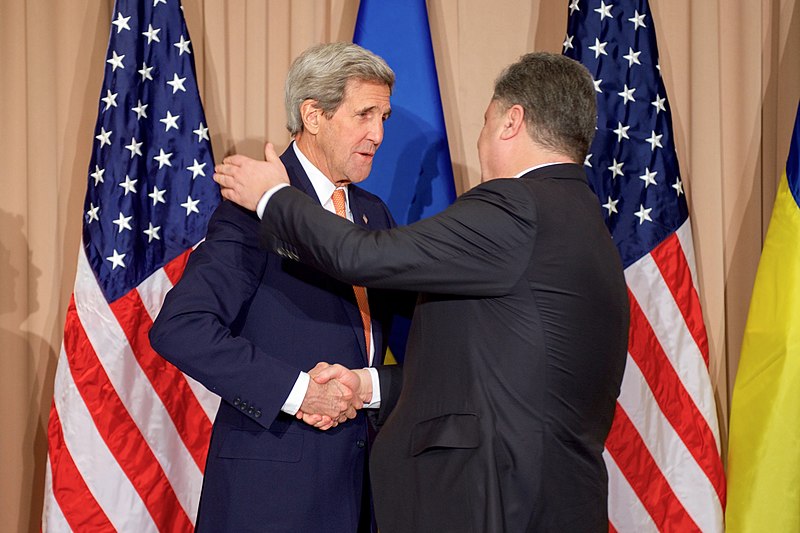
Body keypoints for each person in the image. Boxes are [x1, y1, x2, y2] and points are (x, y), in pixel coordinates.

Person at [214, 52, 630, 532]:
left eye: (485, 120)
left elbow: (364, 258)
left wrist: (272, 196)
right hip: (554, 500)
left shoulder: (518, 205)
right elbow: (484, 368)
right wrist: (369, 386)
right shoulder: (585, 222)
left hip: (501, 502)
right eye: (365, 115)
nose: (378, 134)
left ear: (512, 122)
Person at [149, 42, 400, 533]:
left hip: (363, 485)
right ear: (313, 114)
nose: (379, 133)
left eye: (385, 117)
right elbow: (180, 328)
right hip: (273, 493)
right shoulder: (254, 209)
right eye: (365, 114)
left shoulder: (374, 212)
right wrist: (299, 391)